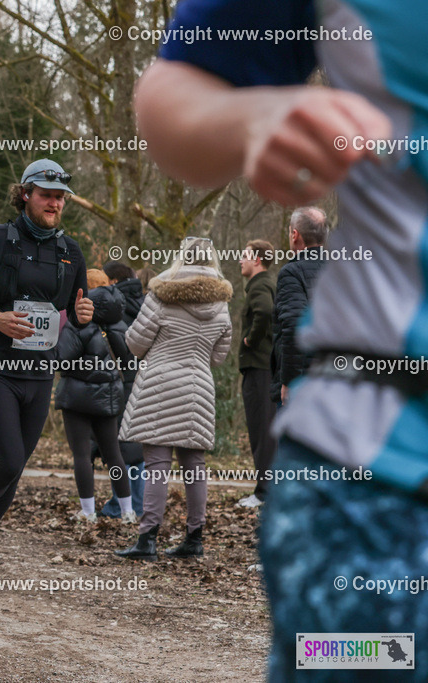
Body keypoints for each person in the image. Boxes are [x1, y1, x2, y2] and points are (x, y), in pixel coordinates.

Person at [134, 3, 428, 675]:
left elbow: (255, 330)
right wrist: (252, 117)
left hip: (225, 390)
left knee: (164, 463)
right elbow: (178, 88)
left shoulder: (272, 279)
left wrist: (271, 372)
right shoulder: (270, 282)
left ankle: (158, 533)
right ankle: (177, 533)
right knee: (356, 659)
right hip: (376, 492)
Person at [0, 159, 93, 589]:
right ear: (25, 194)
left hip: (40, 372)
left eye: (60, 196)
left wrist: (84, 314)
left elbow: (79, 312)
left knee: (15, 469)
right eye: (46, 194)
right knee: (7, 459)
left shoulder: (71, 251)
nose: (54, 203)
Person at [115, 237, 232, 560]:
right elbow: (220, 356)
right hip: (199, 386)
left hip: (160, 384)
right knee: (195, 465)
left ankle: (148, 539)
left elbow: (135, 344)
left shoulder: (161, 295)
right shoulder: (222, 302)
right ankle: (194, 538)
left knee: (157, 465)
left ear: (180, 257)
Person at [55, 270, 136, 524]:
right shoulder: (119, 320)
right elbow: (129, 362)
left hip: (77, 397)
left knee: (81, 455)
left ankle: (88, 513)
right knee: (114, 455)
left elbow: (62, 361)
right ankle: (128, 512)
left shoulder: (77, 320)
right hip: (110, 397)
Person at [99, 260, 147, 518]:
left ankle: (123, 503)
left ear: (114, 282)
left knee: (122, 447)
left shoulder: (116, 304)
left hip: (123, 379)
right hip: (143, 379)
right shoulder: (142, 302)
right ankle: (134, 501)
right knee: (136, 447)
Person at [272, 208, 329, 405]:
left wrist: (289, 382)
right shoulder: (342, 271)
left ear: (295, 235)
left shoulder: (292, 273)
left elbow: (294, 326)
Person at [237, 240, 277, 508]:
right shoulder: (264, 283)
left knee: (261, 430)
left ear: (258, 260)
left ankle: (264, 492)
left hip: (259, 368)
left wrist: (251, 339)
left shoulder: (260, 285)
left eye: (245, 255)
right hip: (266, 368)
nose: (240, 259)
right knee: (267, 430)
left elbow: (264, 312)